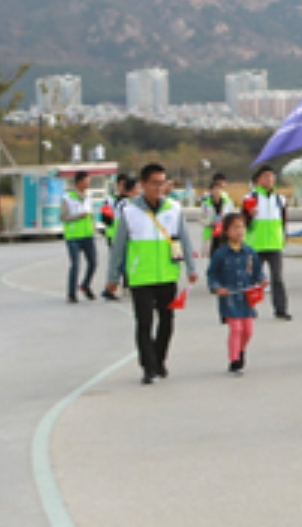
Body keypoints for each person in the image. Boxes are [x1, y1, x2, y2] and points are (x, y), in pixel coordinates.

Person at [104, 163, 200, 385]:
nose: (159, 188)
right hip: (141, 276)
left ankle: (159, 359)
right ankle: (148, 367)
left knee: (167, 321)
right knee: (145, 323)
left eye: (163, 183)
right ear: (143, 184)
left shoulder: (174, 209)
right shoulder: (129, 212)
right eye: (154, 183)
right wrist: (112, 278)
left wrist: (191, 268)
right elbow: (118, 248)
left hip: (168, 274)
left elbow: (184, 239)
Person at [207, 212, 265, 375]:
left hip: (247, 297)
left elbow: (257, 271)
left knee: (248, 330)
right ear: (226, 231)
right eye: (235, 228)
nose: (239, 231)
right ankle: (234, 361)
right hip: (230, 297)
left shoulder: (250, 252)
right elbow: (212, 274)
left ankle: (240, 350)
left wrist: (262, 279)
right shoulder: (221, 254)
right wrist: (217, 287)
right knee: (236, 329)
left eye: (241, 227)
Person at [242, 167, 292, 320]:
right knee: (252, 279)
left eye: (272, 176)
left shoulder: (279, 199)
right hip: (256, 244)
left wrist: (284, 237)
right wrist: (248, 216)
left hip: (275, 244)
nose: (269, 179)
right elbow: (243, 223)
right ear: (258, 180)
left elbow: (283, 221)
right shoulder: (250, 198)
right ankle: (248, 308)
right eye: (266, 176)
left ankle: (281, 309)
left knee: (277, 278)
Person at [60, 171, 98, 303]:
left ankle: (85, 284)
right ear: (79, 182)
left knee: (93, 262)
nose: (88, 183)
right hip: (73, 236)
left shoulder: (89, 197)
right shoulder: (67, 197)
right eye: (87, 181)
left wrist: (94, 228)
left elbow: (91, 214)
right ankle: (71, 293)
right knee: (75, 264)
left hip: (88, 235)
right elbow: (63, 217)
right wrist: (77, 216)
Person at [98, 174, 136, 302]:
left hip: (123, 237)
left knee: (123, 264)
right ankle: (109, 289)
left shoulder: (126, 202)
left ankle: (122, 286)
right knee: (119, 264)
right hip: (117, 237)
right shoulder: (120, 202)